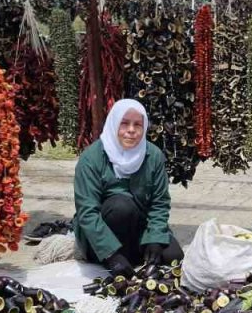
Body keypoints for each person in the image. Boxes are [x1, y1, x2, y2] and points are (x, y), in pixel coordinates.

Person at [73, 99, 183, 277]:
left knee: (173, 256)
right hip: (104, 229)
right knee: (122, 207)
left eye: (138, 124)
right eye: (124, 123)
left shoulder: (153, 155)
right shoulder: (91, 158)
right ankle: (111, 255)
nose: (131, 130)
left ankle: (132, 253)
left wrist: (154, 238)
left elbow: (160, 203)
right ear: (113, 123)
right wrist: (111, 254)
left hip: (138, 225)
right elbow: (87, 212)